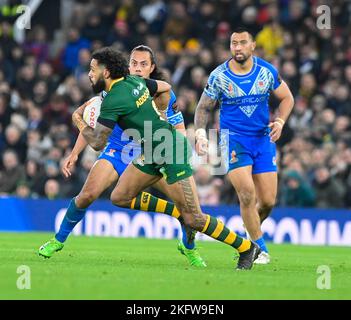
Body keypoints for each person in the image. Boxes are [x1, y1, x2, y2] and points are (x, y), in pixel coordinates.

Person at [71, 47, 260, 270]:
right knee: (120, 196)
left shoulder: (118, 95)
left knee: (194, 219)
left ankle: (246, 247)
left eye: (92, 69)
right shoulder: (135, 84)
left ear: (106, 72)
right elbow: (165, 86)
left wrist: (78, 119)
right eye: (134, 64)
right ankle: (174, 212)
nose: (89, 74)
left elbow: (96, 142)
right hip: (152, 150)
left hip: (170, 150)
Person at [38, 46, 206, 267]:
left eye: (143, 64)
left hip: (155, 152)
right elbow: (91, 124)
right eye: (133, 63)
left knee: (189, 209)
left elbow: (179, 127)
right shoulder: (110, 91)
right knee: (87, 194)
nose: (137, 68)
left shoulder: (163, 93)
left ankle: (189, 246)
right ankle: (58, 240)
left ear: (152, 68)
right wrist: (75, 153)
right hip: (118, 150)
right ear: (127, 66)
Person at [194, 28, 294, 264]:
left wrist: (280, 121)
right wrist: (200, 134)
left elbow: (287, 98)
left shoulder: (266, 71)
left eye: (242, 43)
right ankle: (259, 248)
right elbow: (203, 107)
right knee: (247, 195)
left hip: (262, 138)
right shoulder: (219, 76)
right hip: (233, 139)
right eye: (233, 43)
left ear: (252, 46)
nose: (237, 47)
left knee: (268, 201)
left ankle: (251, 229)